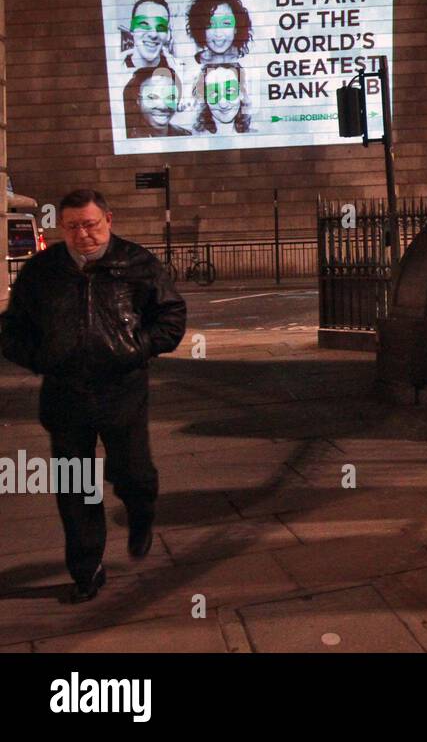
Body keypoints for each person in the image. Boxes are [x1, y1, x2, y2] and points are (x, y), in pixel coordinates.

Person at [0, 190, 186, 603]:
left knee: (134, 472)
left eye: (90, 224)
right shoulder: (42, 271)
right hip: (65, 395)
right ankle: (86, 569)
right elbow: (11, 329)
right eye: (72, 226)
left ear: (108, 220)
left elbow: (171, 316)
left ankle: (140, 514)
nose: (82, 234)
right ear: (60, 226)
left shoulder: (137, 263)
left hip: (123, 390)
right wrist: (42, 358)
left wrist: (137, 348)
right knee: (75, 486)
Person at [185, 0, 252, 67]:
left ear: (236, 27)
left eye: (226, 23)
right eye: (210, 24)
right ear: (201, 28)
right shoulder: (189, 66)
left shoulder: (249, 63)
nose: (218, 33)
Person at [123, 65, 192, 138]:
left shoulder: (187, 136)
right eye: (153, 97)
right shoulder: (126, 139)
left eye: (171, 97)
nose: (163, 106)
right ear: (138, 100)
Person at [192, 62, 255, 134]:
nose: (223, 103)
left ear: (241, 92)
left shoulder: (256, 138)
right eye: (213, 93)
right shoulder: (193, 141)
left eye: (229, 91)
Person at [121, 0, 175, 71]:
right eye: (144, 24)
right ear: (132, 28)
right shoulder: (112, 71)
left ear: (168, 34)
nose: (153, 34)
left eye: (161, 26)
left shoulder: (180, 73)